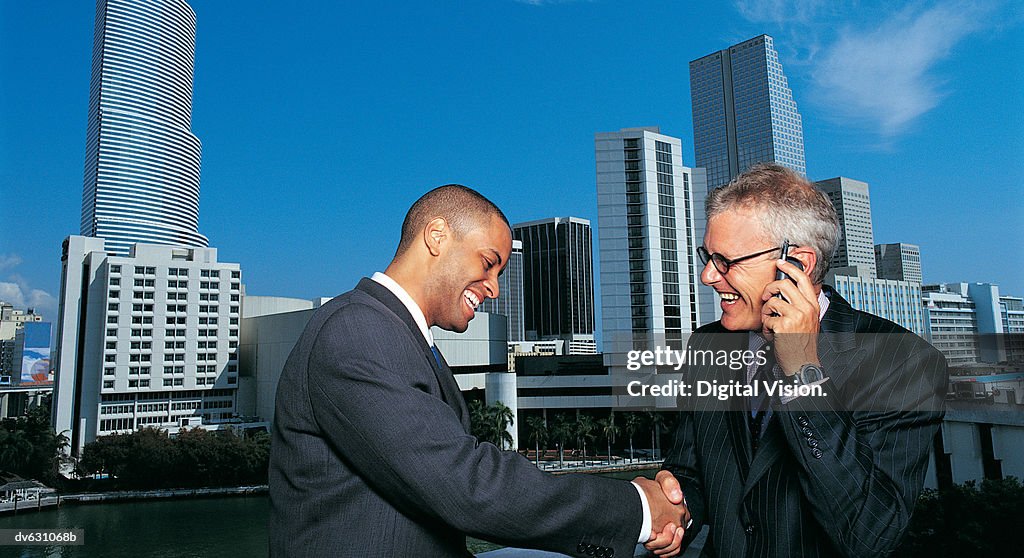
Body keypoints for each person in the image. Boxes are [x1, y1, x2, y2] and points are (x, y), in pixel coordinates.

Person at [269, 185, 687, 557]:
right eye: (488, 263)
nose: (494, 287)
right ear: (437, 237)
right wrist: (637, 508)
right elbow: (467, 487)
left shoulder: (399, 336)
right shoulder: (358, 329)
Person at [655, 164, 948, 557]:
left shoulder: (904, 362)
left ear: (798, 264)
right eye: (707, 256)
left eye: (727, 261)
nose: (708, 275)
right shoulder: (707, 344)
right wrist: (671, 508)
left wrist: (802, 370)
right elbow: (695, 475)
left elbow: (868, 534)